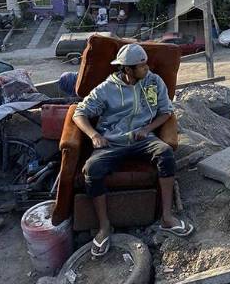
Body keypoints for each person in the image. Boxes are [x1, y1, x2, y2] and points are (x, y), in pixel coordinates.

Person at [72, 44, 193, 257]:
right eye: (142, 66)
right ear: (128, 69)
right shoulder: (106, 88)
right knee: (91, 168)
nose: (147, 68)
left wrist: (147, 129)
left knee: (165, 153)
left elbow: (166, 111)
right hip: (113, 143)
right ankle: (104, 226)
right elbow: (79, 113)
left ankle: (166, 217)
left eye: (146, 64)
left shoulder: (154, 82)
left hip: (143, 139)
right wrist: (94, 135)